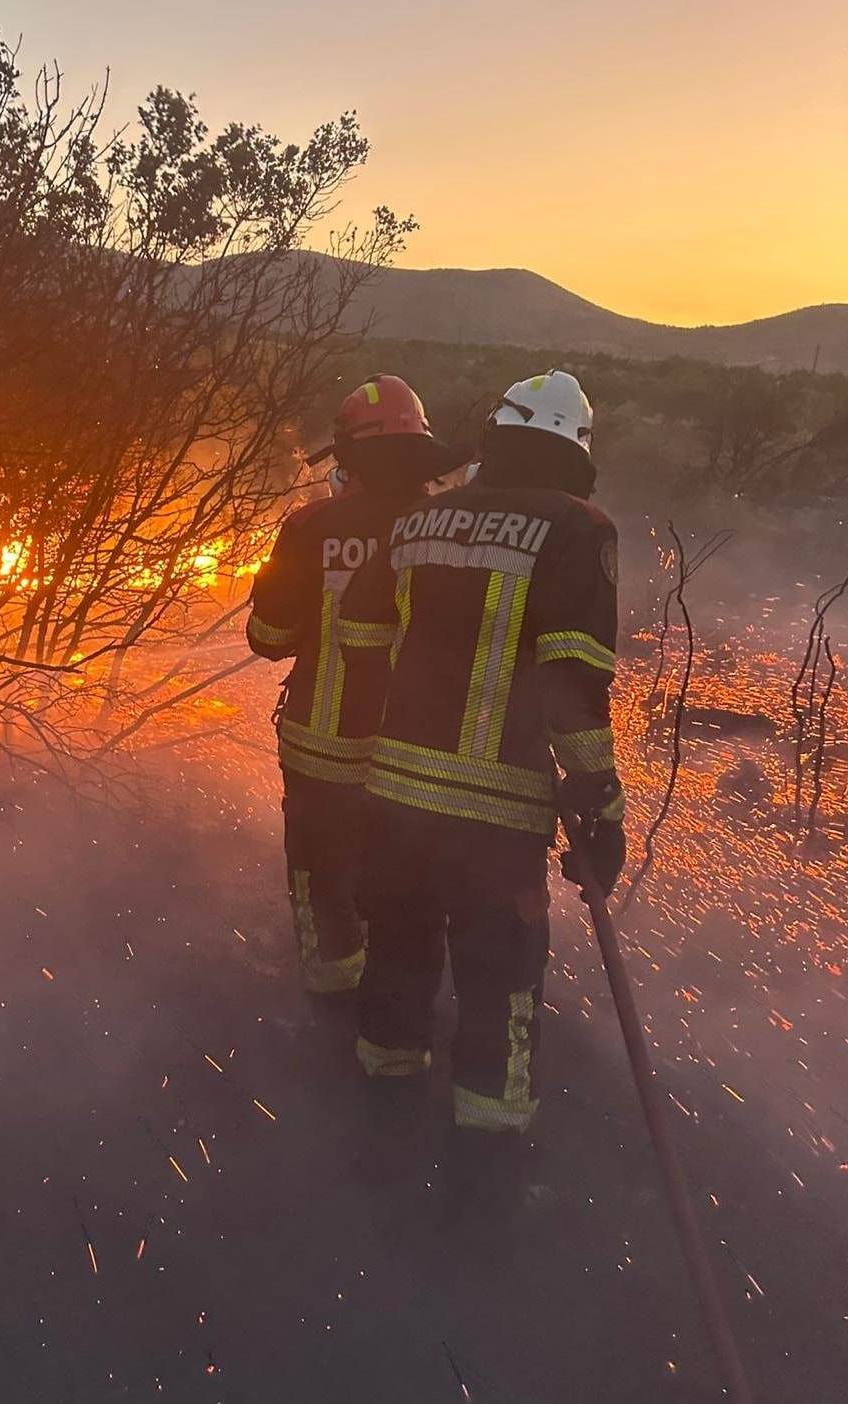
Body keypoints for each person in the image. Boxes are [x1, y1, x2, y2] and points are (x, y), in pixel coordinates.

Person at [339, 370, 626, 1132]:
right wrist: (601, 801)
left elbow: (359, 636)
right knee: (500, 981)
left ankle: (376, 1128)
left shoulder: (416, 522)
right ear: (575, 449)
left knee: (396, 955)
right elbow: (572, 679)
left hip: (393, 796)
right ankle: (490, 1160)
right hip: (495, 816)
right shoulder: (579, 528)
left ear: (497, 439)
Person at [246, 376, 470, 995]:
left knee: (323, 875)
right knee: (403, 881)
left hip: (324, 744)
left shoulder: (312, 526)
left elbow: (268, 636)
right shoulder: (451, 530)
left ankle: (330, 997)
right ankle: (395, 1013)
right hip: (419, 754)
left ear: (348, 454)